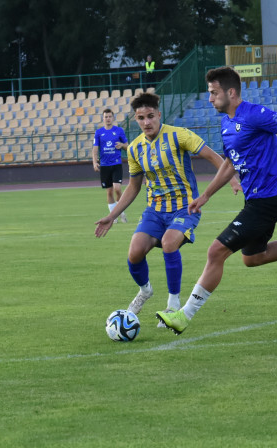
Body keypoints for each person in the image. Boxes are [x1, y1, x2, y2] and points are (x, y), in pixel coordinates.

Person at [157, 66, 277, 334]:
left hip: (267, 202)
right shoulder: (226, 122)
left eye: (214, 93)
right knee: (253, 258)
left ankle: (184, 316)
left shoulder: (253, 114)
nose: (210, 99)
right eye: (209, 93)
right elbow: (231, 161)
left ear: (231, 92)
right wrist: (206, 195)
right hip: (255, 202)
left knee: (215, 251)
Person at [95, 92, 238, 324]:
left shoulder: (178, 135)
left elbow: (212, 155)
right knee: (134, 252)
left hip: (185, 208)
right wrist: (112, 215)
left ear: (158, 114)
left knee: (170, 243)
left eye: (150, 116)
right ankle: (145, 291)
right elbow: (133, 187)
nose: (146, 122)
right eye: (141, 118)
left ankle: (173, 304)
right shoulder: (133, 149)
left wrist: (231, 178)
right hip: (155, 211)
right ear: (136, 120)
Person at [91, 108, 129, 223]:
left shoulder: (119, 131)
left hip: (116, 164)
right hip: (105, 165)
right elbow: (95, 149)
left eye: (109, 116)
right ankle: (114, 216)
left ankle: (120, 210)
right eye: (106, 117)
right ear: (103, 118)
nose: (108, 119)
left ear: (113, 118)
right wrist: (94, 161)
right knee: (109, 192)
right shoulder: (99, 132)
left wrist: (122, 145)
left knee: (117, 189)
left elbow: (128, 146)